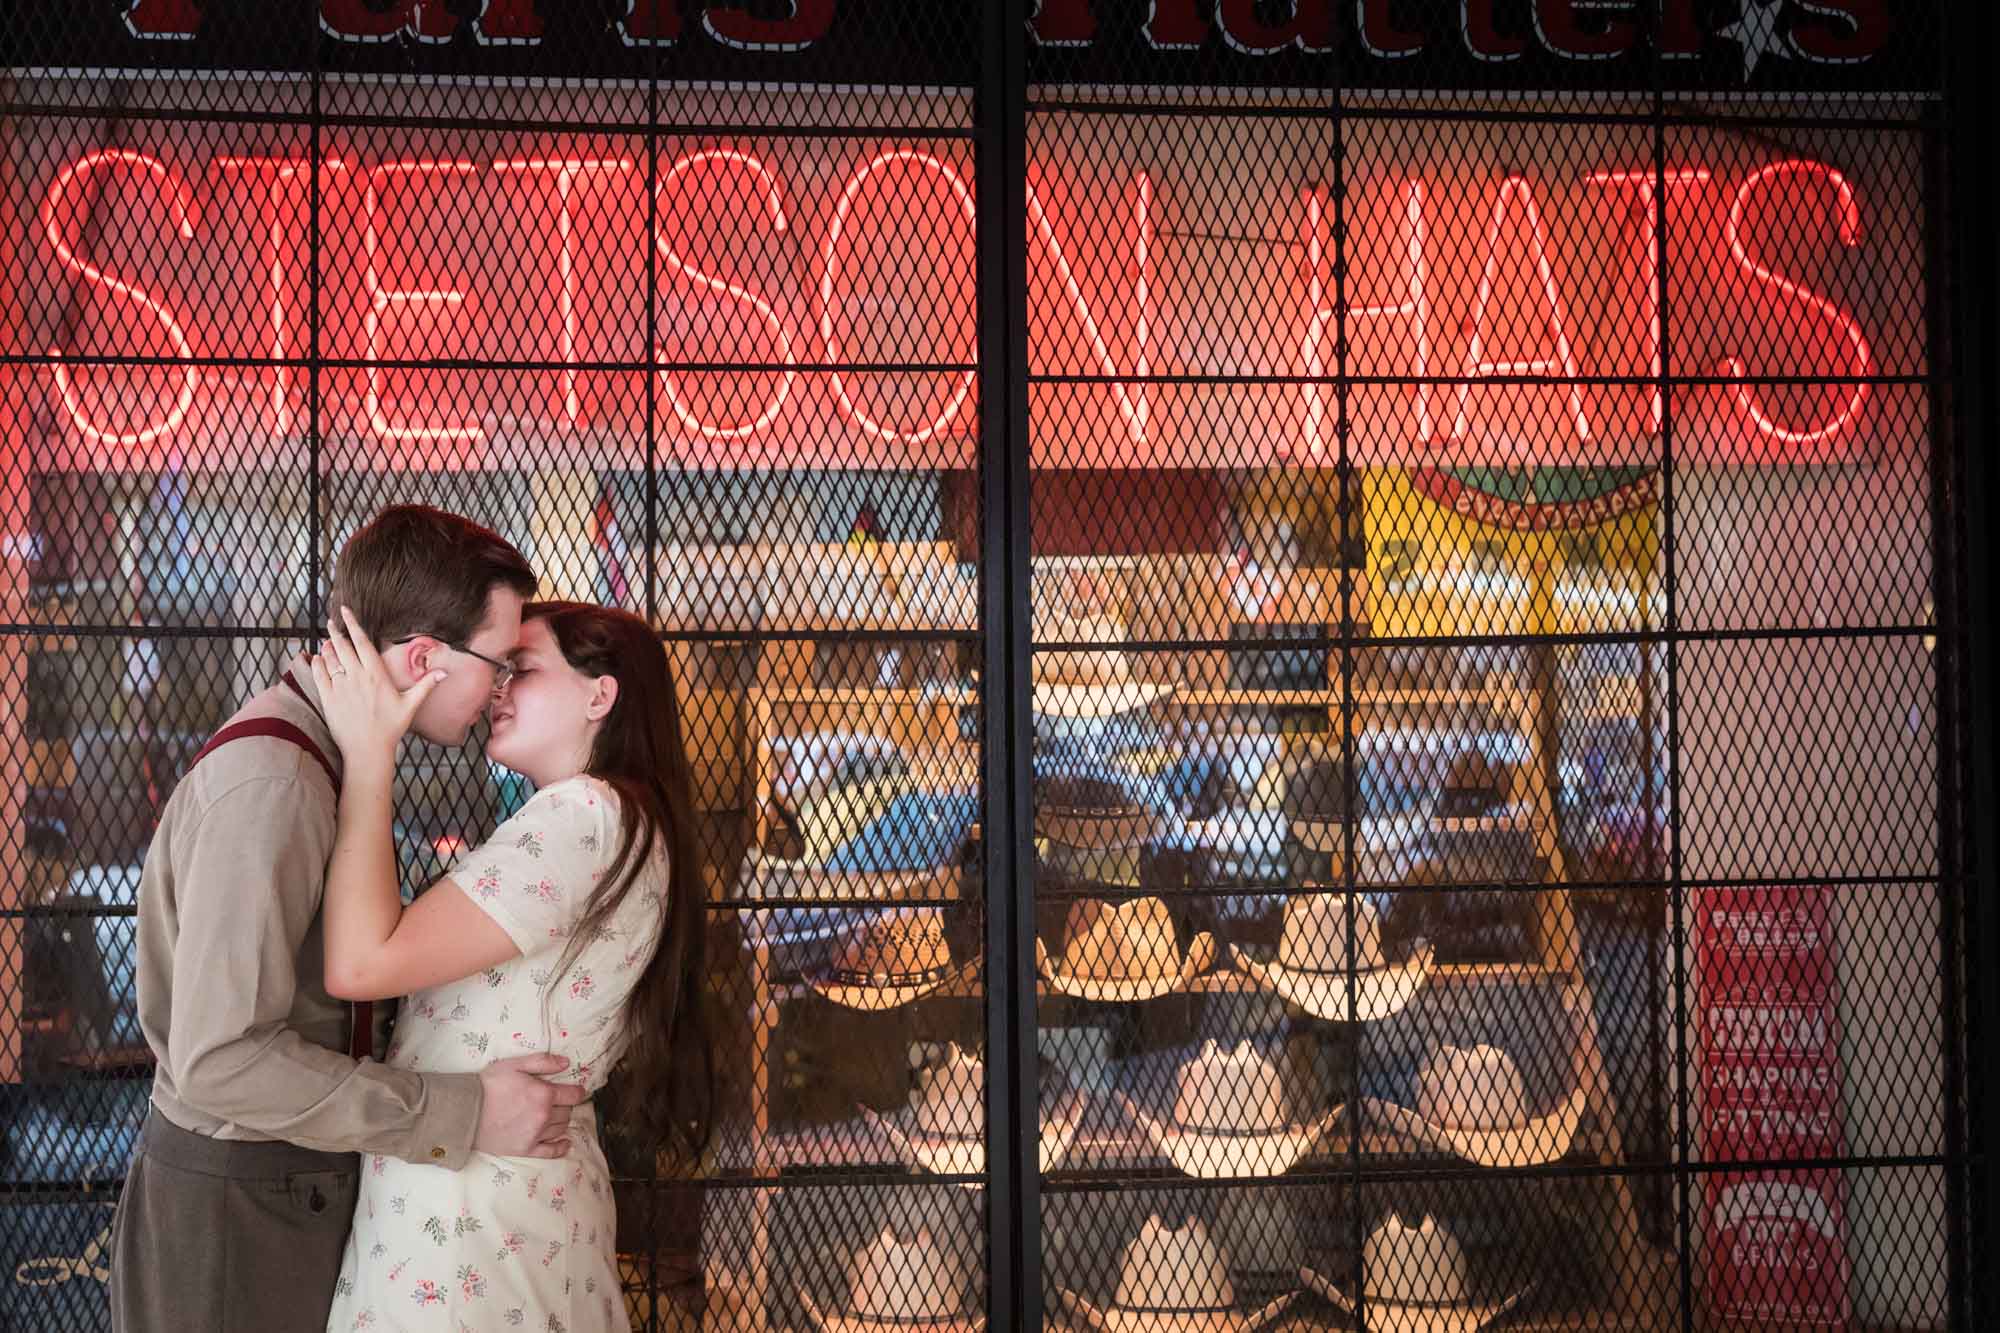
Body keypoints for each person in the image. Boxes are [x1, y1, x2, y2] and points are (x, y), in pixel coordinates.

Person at [109, 505, 587, 1333]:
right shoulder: (279, 784)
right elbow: (219, 1058)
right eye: (501, 663)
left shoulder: (323, 756)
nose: (503, 689)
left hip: (278, 1189)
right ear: (425, 657)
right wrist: (461, 1110)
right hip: (238, 1210)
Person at [312, 599, 713, 1331]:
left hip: (477, 1229)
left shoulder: (584, 816)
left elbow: (362, 963)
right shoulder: (613, 820)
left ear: (601, 693)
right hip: (499, 1211)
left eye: (521, 670)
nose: (498, 688)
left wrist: (371, 752)